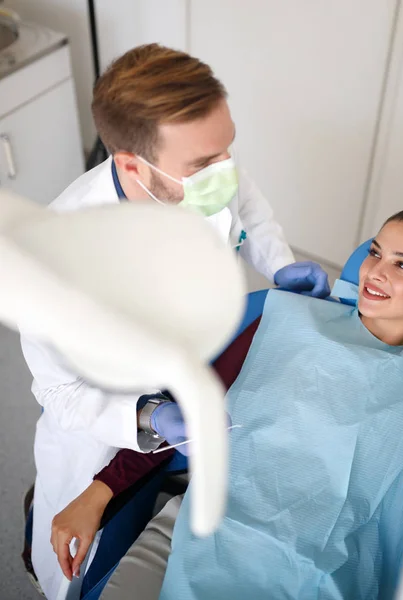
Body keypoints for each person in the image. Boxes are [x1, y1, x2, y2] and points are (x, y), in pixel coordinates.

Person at [20, 43, 330, 600]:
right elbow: (58, 391)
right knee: (84, 565)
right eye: (204, 164)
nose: (226, 170)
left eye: (227, 149)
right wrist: (146, 416)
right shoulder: (59, 262)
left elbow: (249, 207)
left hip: (197, 356)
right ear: (132, 164)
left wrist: (280, 267)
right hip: (112, 419)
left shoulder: (203, 165)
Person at [51, 208, 403, 600]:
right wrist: (98, 492)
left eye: (402, 265)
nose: (375, 272)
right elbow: (182, 411)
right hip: (208, 530)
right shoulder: (286, 320)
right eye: (375, 252)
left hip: (327, 570)